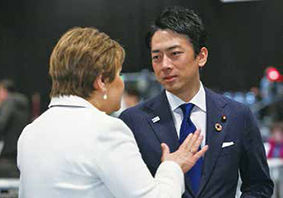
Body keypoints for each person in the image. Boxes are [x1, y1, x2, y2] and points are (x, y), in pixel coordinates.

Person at [17, 27, 208, 198]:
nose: (122, 82)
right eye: (119, 74)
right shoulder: (106, 131)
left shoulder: (30, 133)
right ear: (101, 81)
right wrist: (172, 166)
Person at [119, 6, 273, 198]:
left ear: (201, 56)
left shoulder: (237, 115)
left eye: (174, 54)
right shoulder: (134, 121)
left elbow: (259, 185)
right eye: (156, 57)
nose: (165, 65)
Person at [0, 79, 30, 177]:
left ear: (3, 91)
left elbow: (0, 125)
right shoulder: (23, 104)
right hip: (20, 156)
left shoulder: (8, 103)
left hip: (4, 157)